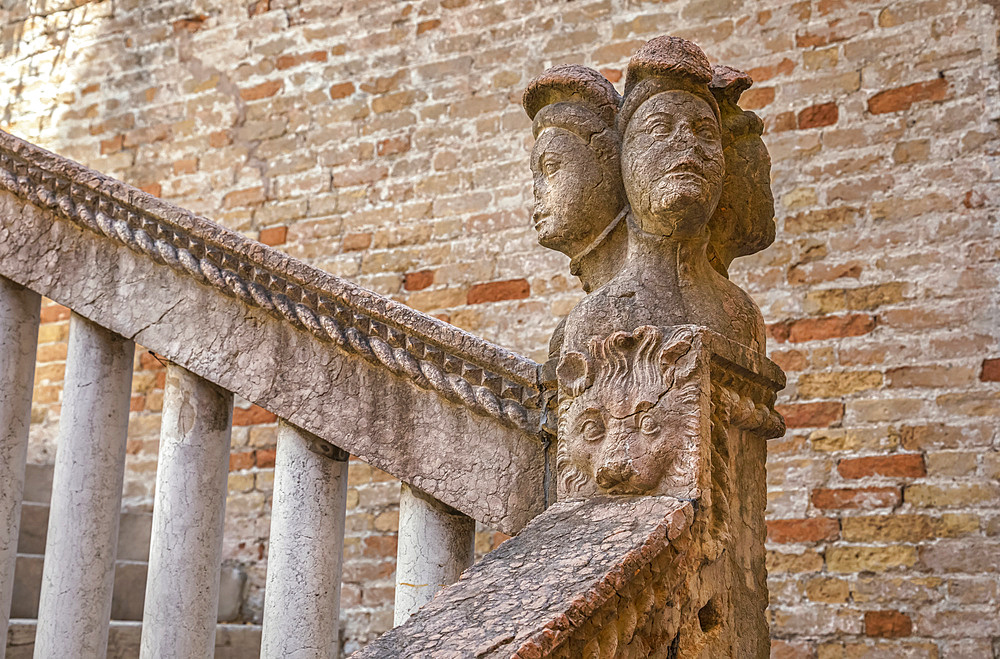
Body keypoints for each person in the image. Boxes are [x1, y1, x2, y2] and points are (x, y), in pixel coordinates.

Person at [560, 36, 767, 358]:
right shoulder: (596, 317)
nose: (688, 143)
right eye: (660, 128)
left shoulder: (741, 314)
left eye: (706, 133)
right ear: (622, 162)